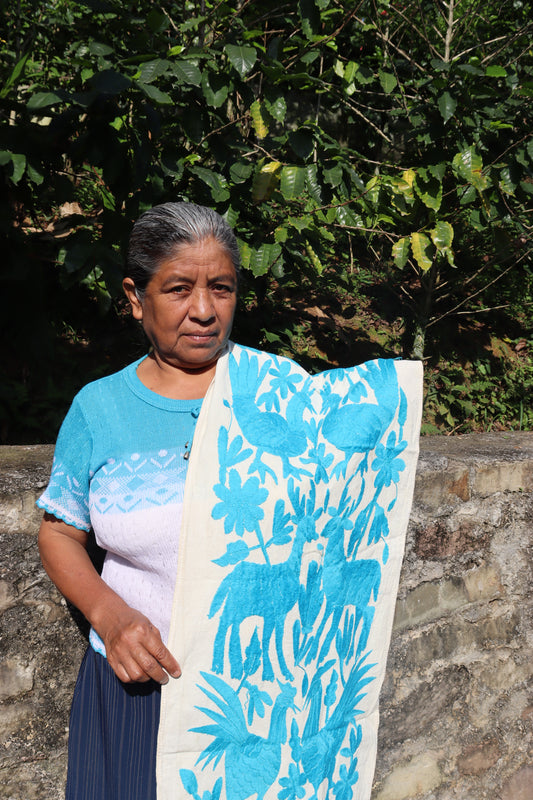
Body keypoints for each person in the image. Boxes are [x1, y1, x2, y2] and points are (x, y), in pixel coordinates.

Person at [38, 202, 423, 800]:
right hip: (138, 689)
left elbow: (339, 509)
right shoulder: (100, 408)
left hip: (264, 705)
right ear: (136, 297)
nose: (203, 309)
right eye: (178, 288)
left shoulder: (278, 395)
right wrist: (110, 618)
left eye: (221, 288)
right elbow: (61, 531)